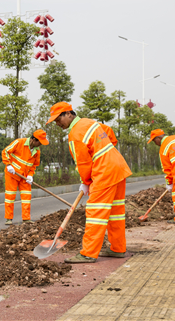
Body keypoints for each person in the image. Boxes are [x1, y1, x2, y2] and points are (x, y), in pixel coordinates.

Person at [47, 102, 132, 263]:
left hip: (104, 172)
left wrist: (86, 182)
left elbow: (83, 163)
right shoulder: (90, 123)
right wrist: (105, 152)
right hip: (118, 167)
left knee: (95, 213)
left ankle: (88, 253)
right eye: (55, 121)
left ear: (69, 114)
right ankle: (118, 248)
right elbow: (110, 135)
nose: (57, 124)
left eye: (58, 119)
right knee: (115, 212)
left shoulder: (75, 134)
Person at [1, 129, 49, 224]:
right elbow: (5, 151)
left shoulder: (37, 151)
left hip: (25, 177)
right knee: (10, 197)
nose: (41, 144)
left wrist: (30, 176)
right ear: (33, 140)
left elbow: (34, 165)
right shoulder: (19, 142)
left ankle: (26, 218)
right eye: (40, 142)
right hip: (12, 174)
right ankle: (9, 218)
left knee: (26, 197)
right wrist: (8, 164)